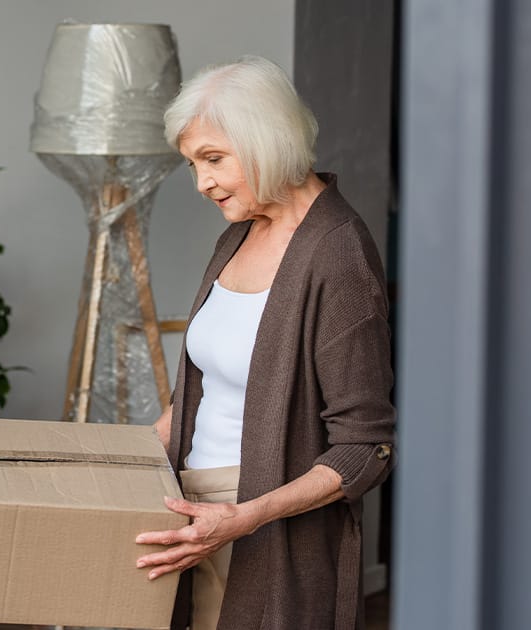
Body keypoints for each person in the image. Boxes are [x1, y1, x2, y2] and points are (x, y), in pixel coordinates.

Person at [134, 56, 396, 630]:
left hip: (258, 524)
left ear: (267, 141)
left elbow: (364, 447)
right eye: (192, 164)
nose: (202, 183)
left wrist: (243, 517)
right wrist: (113, 463)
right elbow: (197, 398)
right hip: (194, 504)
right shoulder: (238, 234)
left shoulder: (338, 257)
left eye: (213, 159)